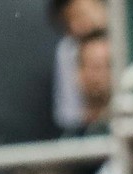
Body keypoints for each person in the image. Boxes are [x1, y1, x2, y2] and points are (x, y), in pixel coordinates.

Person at [51, 0, 108, 131]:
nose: (76, 26)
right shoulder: (68, 50)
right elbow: (68, 115)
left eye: (80, 14)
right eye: (68, 22)